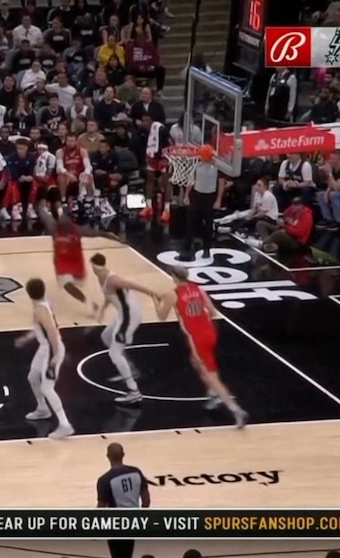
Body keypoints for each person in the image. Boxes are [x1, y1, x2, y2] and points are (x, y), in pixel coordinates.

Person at [156, 266, 248, 427]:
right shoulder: (198, 288)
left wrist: (156, 302)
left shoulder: (173, 294)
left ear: (174, 277)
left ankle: (235, 409)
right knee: (196, 363)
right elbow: (212, 312)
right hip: (209, 331)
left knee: (211, 376)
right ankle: (213, 393)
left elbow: (161, 317)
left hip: (196, 338)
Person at [92, 253, 159, 404]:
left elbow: (131, 285)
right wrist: (103, 308)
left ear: (95, 266)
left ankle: (134, 391)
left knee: (114, 353)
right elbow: (109, 294)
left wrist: (151, 293)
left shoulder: (113, 280)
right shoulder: (102, 277)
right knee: (106, 336)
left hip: (129, 315)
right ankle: (130, 369)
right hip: (123, 313)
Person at [14, 278, 75, 440]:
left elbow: (52, 332)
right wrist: (26, 338)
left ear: (28, 293)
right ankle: (43, 409)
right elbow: (44, 328)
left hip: (51, 349)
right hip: (45, 348)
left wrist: (55, 355)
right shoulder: (44, 305)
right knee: (33, 377)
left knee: (48, 388)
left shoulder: (40, 311)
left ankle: (65, 425)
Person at [38, 200, 121, 315]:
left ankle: (96, 299)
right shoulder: (53, 228)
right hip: (61, 263)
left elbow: (96, 233)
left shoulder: (77, 230)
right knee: (67, 285)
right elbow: (44, 215)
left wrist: (109, 235)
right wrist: (41, 205)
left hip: (76, 263)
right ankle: (89, 303)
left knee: (74, 283)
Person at [96, 442, 150, 558]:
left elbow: (101, 507)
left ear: (108, 456)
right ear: (123, 454)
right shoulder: (136, 472)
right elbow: (146, 500)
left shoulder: (105, 480)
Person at [183, 145, 219, 261]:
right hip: (197, 195)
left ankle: (206, 249)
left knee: (208, 225)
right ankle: (187, 247)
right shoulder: (197, 165)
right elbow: (191, 180)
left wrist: (218, 199)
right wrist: (186, 195)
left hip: (210, 196)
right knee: (190, 222)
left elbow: (221, 182)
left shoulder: (217, 166)